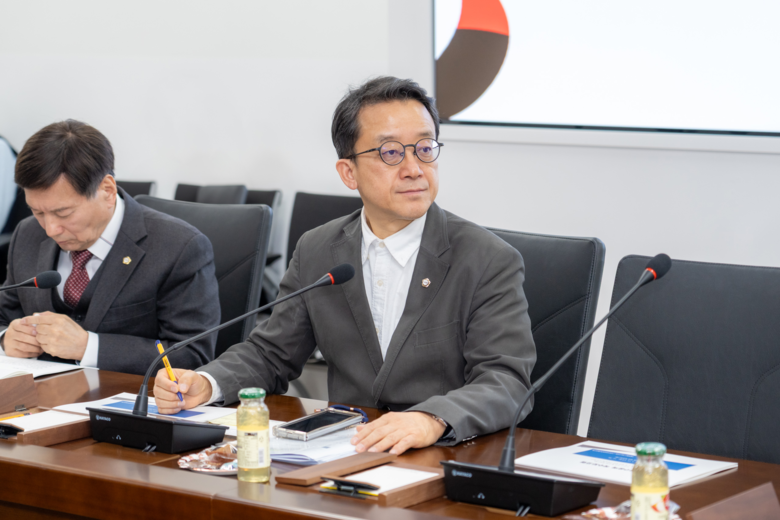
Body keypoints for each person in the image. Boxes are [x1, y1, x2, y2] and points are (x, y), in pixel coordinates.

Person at [154, 77, 537, 454]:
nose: (414, 168)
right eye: (390, 152)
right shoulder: (319, 248)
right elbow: (271, 353)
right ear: (348, 172)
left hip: (444, 453)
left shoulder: (485, 258)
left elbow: (506, 382)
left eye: (425, 148)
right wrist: (208, 383)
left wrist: (431, 419)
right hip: (346, 450)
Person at [0, 120, 220, 375]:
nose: (50, 229)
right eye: (38, 212)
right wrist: (6, 338)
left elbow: (192, 354)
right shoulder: (27, 233)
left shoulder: (178, 247)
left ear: (107, 190)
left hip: (127, 395)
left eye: (63, 213)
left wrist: (88, 348)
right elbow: (4, 315)